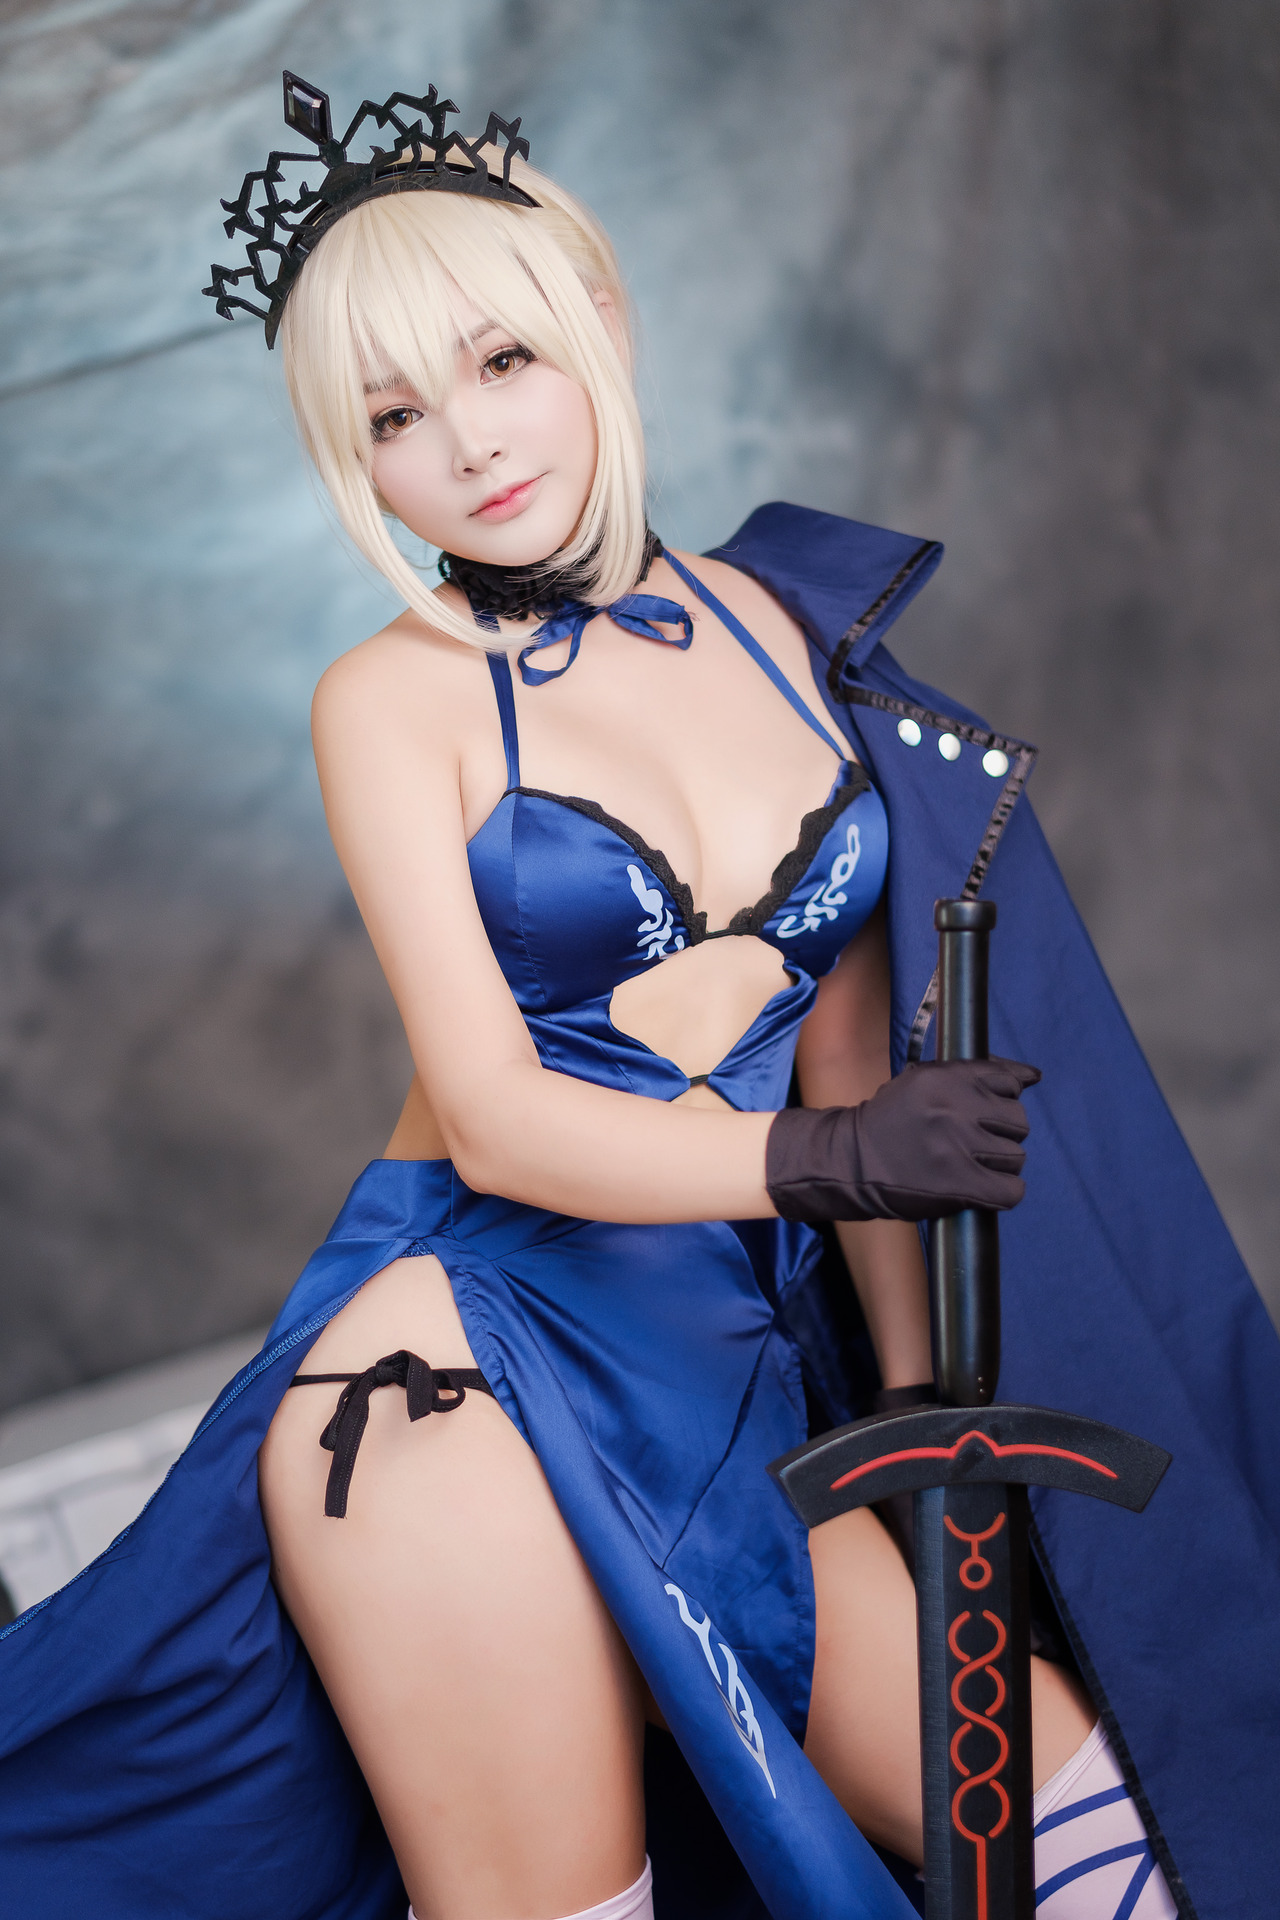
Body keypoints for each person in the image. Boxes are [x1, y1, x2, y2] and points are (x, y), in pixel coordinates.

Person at [0, 73, 1276, 1920]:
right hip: (454, 1370)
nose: (468, 445)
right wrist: (832, 1158)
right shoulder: (394, 702)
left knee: (1110, 1848)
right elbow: (501, 1118)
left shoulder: (789, 624)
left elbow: (851, 1056)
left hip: (729, 1381)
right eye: (394, 415)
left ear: (599, 314)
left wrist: (929, 1427)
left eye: (502, 358)